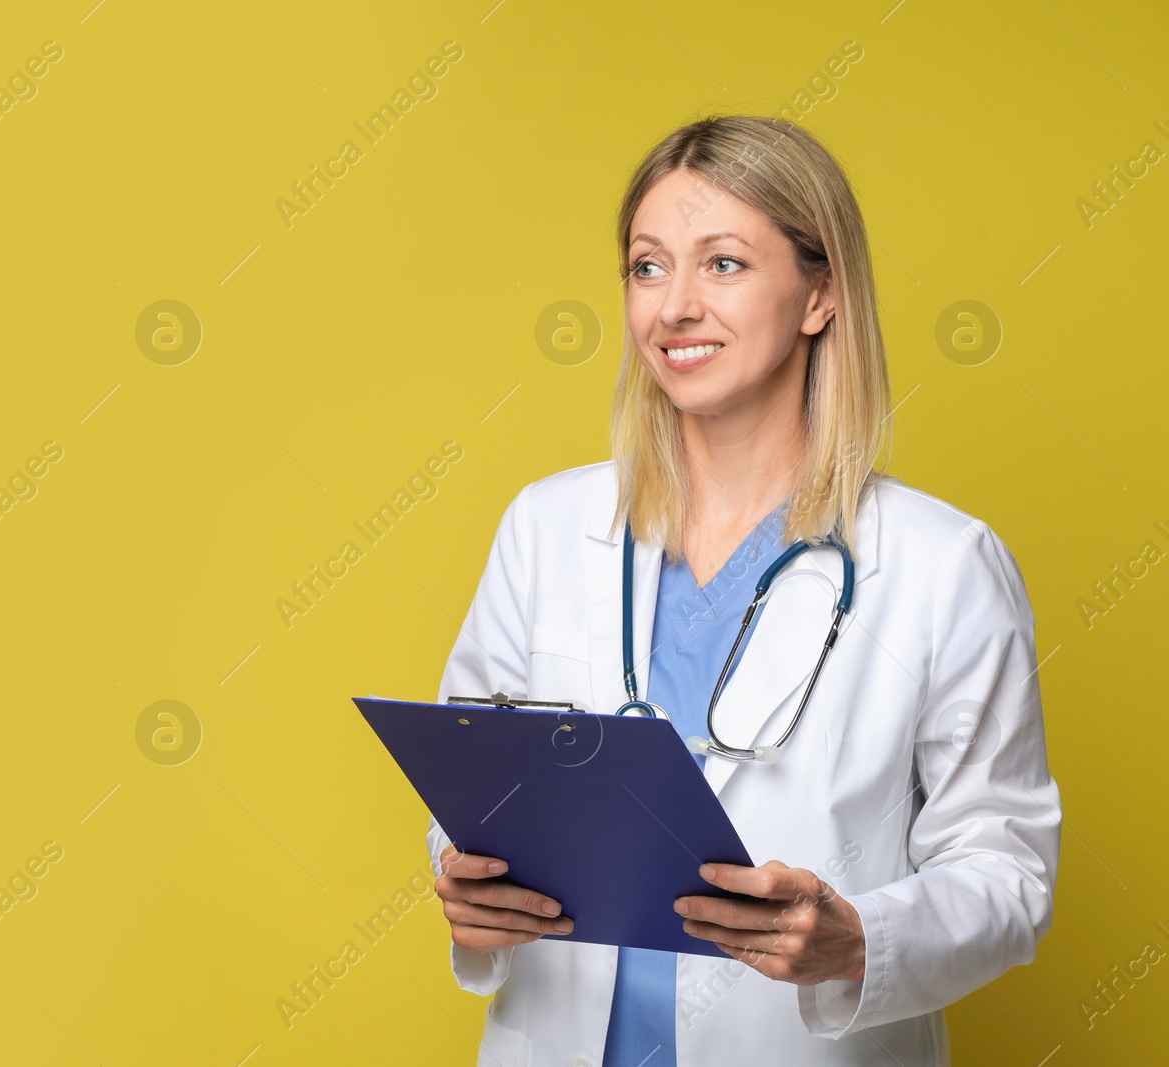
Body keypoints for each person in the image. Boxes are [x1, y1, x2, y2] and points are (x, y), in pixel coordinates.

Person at [426, 115, 1060, 1066]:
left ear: (819, 295)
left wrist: (859, 939)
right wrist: (465, 884)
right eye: (648, 267)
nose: (674, 306)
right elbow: (468, 786)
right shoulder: (546, 529)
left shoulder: (944, 564)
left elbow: (1007, 869)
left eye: (722, 264)